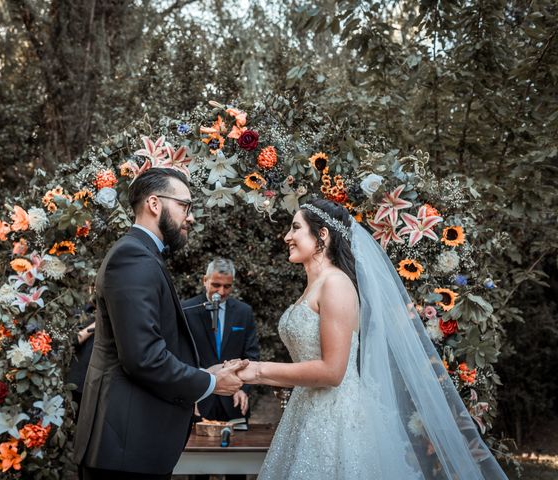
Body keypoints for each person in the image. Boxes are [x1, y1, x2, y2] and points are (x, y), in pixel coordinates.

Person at [237, 198, 508, 479]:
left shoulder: (336, 284)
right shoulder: (314, 287)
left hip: (336, 418)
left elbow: (332, 372)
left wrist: (257, 371)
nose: (287, 236)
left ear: (323, 235)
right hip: (306, 410)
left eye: (295, 228)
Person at [73, 167, 247, 480]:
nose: (190, 217)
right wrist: (210, 384)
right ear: (155, 204)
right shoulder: (133, 258)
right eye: (185, 206)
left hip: (129, 447)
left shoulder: (142, 254)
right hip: (124, 449)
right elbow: (143, 357)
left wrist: (202, 372)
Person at [183, 258, 260, 424]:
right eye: (216, 285)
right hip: (198, 399)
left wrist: (244, 389)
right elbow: (181, 354)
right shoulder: (186, 310)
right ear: (205, 280)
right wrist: (190, 392)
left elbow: (251, 354)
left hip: (233, 400)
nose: (222, 292)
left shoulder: (243, 312)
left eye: (227, 286)